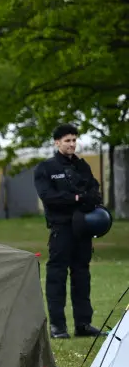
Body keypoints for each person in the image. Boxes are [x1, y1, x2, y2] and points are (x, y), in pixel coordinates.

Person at [33, 123, 106, 339]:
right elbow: (49, 197)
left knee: (82, 276)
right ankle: (58, 327)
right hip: (61, 230)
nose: (72, 144)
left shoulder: (83, 167)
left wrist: (84, 199)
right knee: (56, 277)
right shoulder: (46, 168)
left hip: (83, 230)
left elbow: (94, 192)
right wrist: (76, 198)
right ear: (57, 143)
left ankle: (83, 324)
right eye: (67, 140)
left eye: (74, 140)